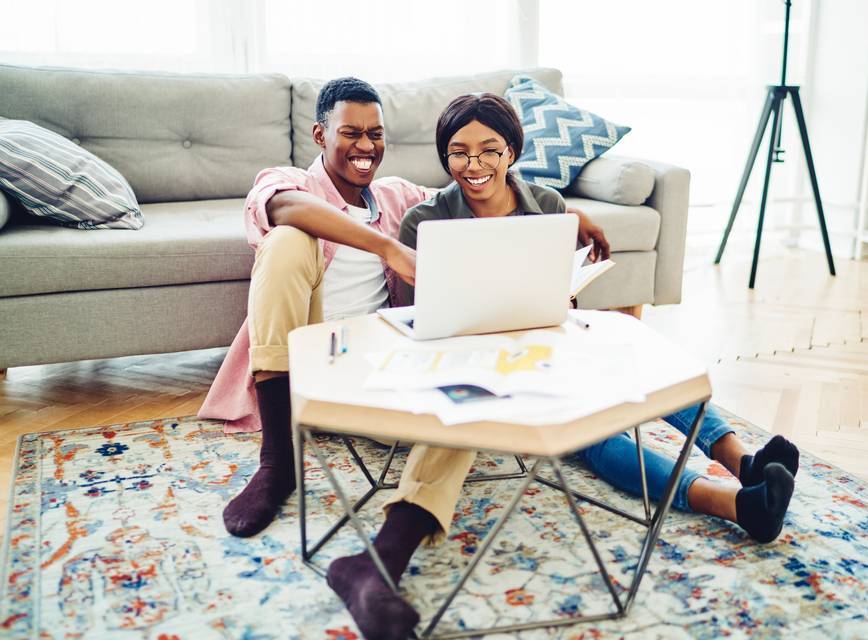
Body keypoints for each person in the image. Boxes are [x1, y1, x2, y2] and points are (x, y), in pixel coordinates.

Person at [326, 93, 801, 640]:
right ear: (444, 157)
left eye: (488, 150)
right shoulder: (424, 221)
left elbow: (563, 299)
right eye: (458, 152)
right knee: (592, 440)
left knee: (637, 357)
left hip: (551, 344)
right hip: (474, 361)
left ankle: (741, 460)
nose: (473, 164)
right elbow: (416, 317)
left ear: (512, 152)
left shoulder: (549, 207)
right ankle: (738, 504)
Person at [197, 77, 610, 544]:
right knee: (289, 240)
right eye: (351, 133)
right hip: (302, 359)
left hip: (374, 358)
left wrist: (572, 216)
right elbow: (284, 207)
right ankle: (277, 462)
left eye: (375, 134)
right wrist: (390, 250)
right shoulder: (288, 183)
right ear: (320, 136)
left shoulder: (396, 196)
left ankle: (399, 535)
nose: (365, 146)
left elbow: (477, 188)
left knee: (466, 389)